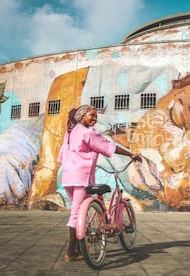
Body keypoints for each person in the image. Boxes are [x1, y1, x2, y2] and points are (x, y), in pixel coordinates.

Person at [57, 104, 140, 262]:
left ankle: (76, 248)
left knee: (77, 211)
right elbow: (108, 147)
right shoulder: (87, 132)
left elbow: (61, 156)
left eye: (96, 116)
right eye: (91, 115)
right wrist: (130, 154)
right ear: (82, 117)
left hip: (68, 177)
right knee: (76, 215)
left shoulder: (70, 132)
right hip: (81, 178)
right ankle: (70, 252)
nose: (95, 118)